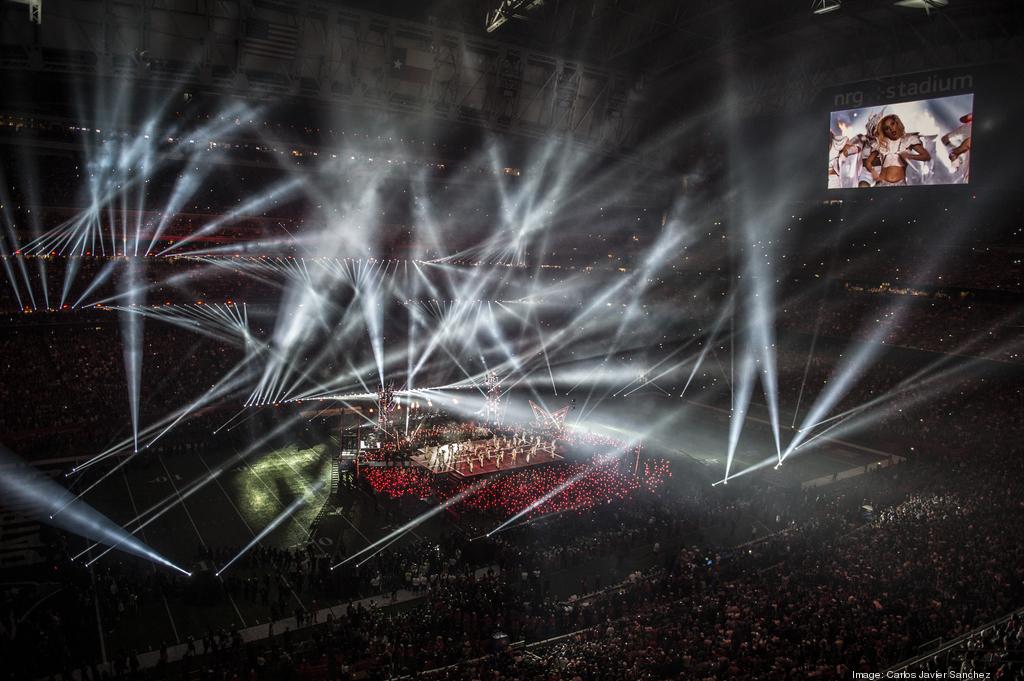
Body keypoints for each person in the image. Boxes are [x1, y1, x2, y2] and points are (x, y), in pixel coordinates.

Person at [865, 113, 931, 186]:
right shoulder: (882, 144)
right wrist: (873, 171)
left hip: (899, 185)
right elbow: (868, 162)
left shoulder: (909, 139)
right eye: (887, 128)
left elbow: (926, 156)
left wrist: (910, 156)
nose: (891, 129)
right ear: (885, 132)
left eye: (892, 124)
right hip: (881, 184)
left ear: (897, 123)